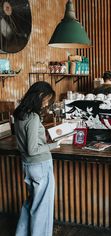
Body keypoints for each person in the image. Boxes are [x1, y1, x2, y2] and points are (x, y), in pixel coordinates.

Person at [13, 81, 60, 236]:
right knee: (42, 209)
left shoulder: (20, 113)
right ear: (39, 95)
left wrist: (43, 137)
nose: (46, 104)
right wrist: (55, 145)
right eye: (46, 99)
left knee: (31, 204)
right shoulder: (33, 117)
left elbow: (26, 143)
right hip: (40, 164)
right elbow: (33, 150)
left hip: (27, 165)